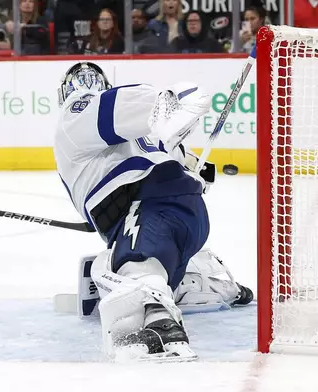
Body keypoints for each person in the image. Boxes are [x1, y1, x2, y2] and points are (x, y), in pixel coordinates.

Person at [54, 62, 214, 362]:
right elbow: (188, 164)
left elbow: (104, 107)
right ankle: (205, 282)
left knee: (133, 270)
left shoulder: (75, 112)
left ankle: (160, 320)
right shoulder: (143, 135)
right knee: (150, 258)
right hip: (190, 215)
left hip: (148, 207)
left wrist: (163, 102)